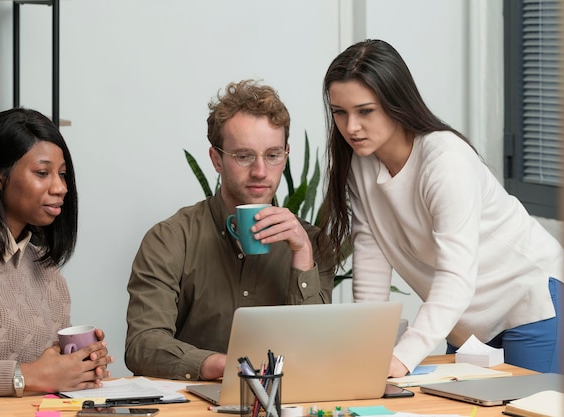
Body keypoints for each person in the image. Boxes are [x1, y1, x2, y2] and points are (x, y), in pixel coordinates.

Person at [319, 39, 563, 376]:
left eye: (365, 111)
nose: (351, 127)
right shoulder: (360, 166)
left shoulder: (445, 161)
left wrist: (403, 357)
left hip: (528, 299)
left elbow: (455, 275)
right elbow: (371, 257)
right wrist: (370, 348)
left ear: (395, 102)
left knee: (528, 410)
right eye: (340, 113)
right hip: (464, 320)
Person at [125, 79, 336, 381]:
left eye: (273, 155)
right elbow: (142, 345)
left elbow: (319, 351)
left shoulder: (311, 243)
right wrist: (217, 366)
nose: (261, 171)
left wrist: (302, 256)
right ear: (216, 159)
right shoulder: (169, 239)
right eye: (244, 156)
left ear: (286, 155)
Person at [0, 108, 113, 399]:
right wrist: (23, 375)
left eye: (62, 175)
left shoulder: (45, 268)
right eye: (42, 173)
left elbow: (45, 374)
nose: (60, 188)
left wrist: (78, 368)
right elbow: (31, 375)